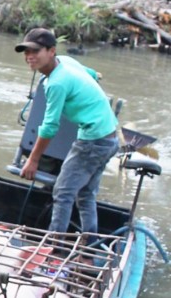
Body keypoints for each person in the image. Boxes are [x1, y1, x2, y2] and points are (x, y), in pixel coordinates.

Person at [17, 27, 120, 240]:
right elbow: (91, 74)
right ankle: (88, 248)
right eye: (26, 52)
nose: (30, 57)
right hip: (109, 136)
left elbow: (49, 127)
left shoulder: (56, 83)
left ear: (51, 51)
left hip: (94, 139)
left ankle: (53, 247)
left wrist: (33, 160)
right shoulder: (65, 62)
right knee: (85, 194)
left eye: (36, 51)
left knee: (63, 192)